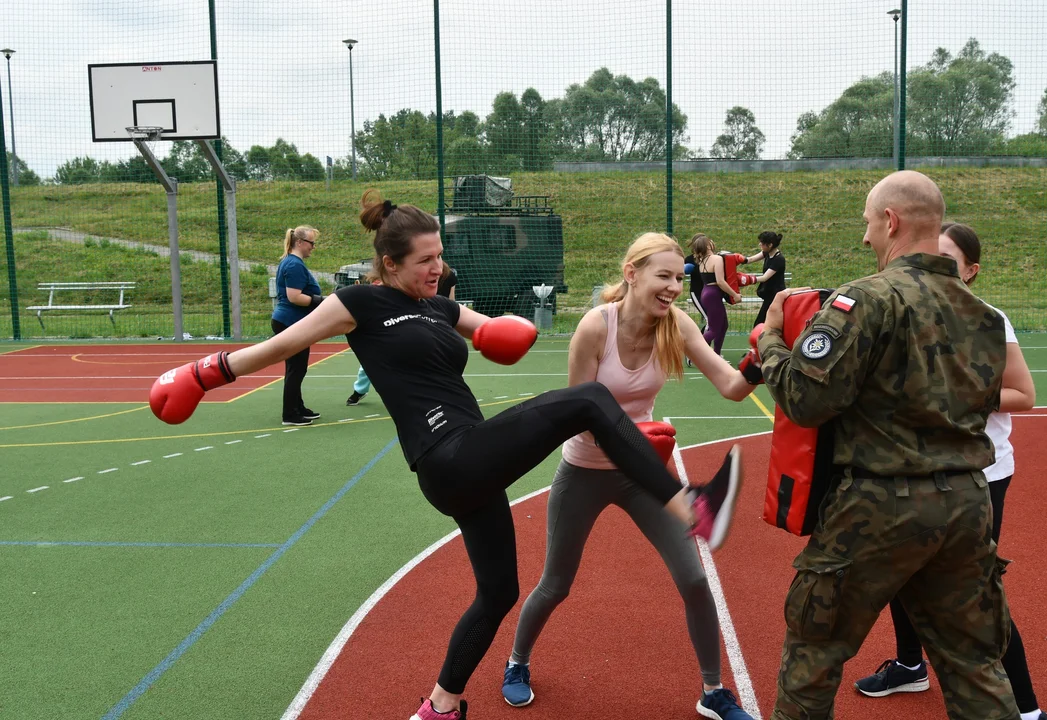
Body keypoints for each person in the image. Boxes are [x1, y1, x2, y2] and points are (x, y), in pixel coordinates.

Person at [148, 191, 739, 720]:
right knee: (588, 399)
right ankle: (690, 505)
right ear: (391, 264)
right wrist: (204, 374)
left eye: (440, 256)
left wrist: (506, 329)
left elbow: (494, 332)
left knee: (499, 593)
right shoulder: (358, 302)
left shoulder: (440, 307)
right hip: (445, 455)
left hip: (474, 463)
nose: (439, 268)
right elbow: (278, 346)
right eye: (426, 260)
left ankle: (442, 704)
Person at [753, 171, 1017, 720]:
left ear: (891, 220)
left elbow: (806, 399)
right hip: (967, 504)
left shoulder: (867, 300)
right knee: (975, 665)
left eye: (869, 223)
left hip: (879, 504)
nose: (866, 238)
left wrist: (773, 339)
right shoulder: (986, 318)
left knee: (815, 654)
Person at [501, 232, 755, 720]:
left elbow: (730, 386)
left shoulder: (676, 324)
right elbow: (576, 415)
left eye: (679, 278)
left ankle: (713, 690)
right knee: (556, 584)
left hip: (643, 477)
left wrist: (761, 360)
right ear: (632, 274)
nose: (674, 288)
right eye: (664, 276)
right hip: (585, 469)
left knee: (695, 579)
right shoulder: (596, 327)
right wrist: (640, 441)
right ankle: (517, 662)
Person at [854, 221, 1047, 720]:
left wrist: (945, 399)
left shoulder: (987, 319)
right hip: (916, 468)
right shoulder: (902, 309)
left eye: (948, 259)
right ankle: (910, 665)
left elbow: (1024, 395)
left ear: (971, 271)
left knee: (976, 594)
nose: (933, 267)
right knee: (901, 572)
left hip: (980, 472)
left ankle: (1026, 710)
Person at [346, 266, 456, 406]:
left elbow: (451, 301)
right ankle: (359, 391)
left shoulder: (443, 278)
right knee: (367, 365)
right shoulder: (385, 289)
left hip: (422, 326)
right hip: (387, 331)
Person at [272, 225, 324, 426]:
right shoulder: (293, 265)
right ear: (300, 243)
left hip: (292, 321)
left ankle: (297, 406)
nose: (313, 247)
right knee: (296, 368)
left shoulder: (292, 262)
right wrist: (321, 301)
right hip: (289, 321)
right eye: (311, 243)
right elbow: (295, 297)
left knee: (297, 367)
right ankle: (289, 414)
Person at [692, 234, 741, 355]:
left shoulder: (703, 260)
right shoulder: (716, 259)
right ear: (708, 245)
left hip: (707, 292)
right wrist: (735, 294)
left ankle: (716, 354)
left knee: (723, 325)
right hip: (713, 294)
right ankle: (692, 352)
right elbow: (720, 281)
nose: (713, 243)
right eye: (710, 241)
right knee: (714, 329)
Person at [739, 231, 786, 327]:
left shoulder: (779, 259)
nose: (759, 244)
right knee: (763, 323)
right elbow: (750, 259)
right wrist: (735, 259)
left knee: (759, 323)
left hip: (775, 295)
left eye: (762, 243)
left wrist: (748, 279)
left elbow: (764, 278)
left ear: (770, 245)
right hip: (769, 294)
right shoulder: (766, 253)